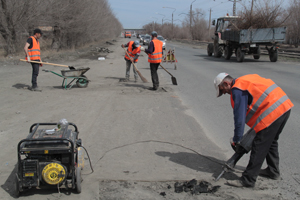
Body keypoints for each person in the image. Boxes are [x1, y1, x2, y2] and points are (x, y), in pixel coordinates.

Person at [214, 72, 293, 187]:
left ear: (226, 83)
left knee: (259, 145)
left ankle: (248, 180)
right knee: (271, 141)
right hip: (284, 106)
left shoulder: (237, 89)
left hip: (272, 113)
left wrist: (237, 140)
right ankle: (273, 171)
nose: (226, 93)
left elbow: (239, 119)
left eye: (224, 90)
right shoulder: (245, 80)